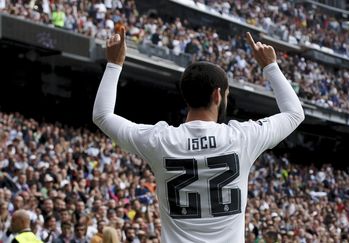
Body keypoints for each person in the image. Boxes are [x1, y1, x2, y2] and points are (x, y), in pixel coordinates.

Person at [93, 28, 304, 243]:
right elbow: (294, 113)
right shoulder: (242, 137)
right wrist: (271, 66)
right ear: (217, 94)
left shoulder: (161, 140)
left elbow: (102, 116)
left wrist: (114, 64)